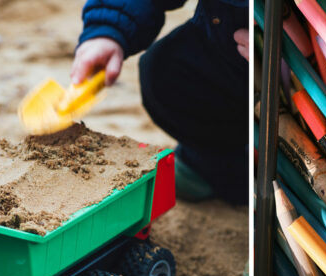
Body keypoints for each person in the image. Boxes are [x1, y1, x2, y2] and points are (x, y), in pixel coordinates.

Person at [71, 0, 248, 205]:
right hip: (223, 46)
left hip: (281, 64)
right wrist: (109, 27)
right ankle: (210, 164)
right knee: (162, 70)